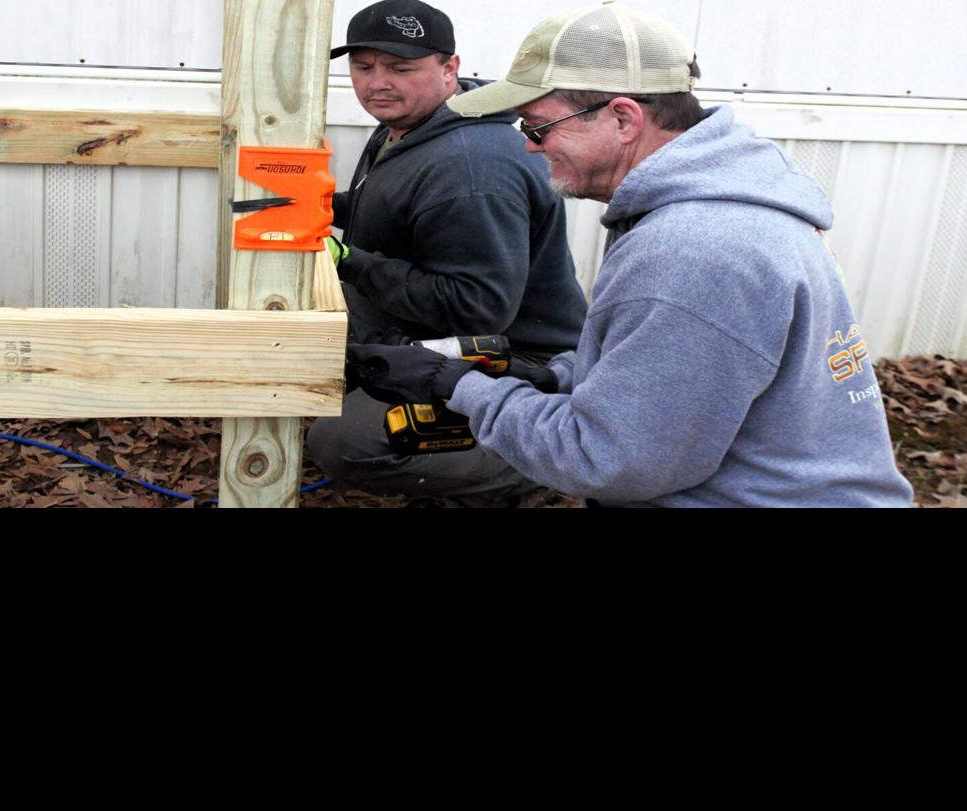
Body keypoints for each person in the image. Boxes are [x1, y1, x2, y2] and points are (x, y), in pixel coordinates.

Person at [348, 1, 913, 507]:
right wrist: (550, 378)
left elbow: (607, 463)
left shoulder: (696, 252)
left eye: (540, 126)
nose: (527, 144)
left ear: (623, 118)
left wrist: (459, 387)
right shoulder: (718, 205)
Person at [306, 0, 588, 500]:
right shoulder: (416, 123)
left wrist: (352, 263)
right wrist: (325, 207)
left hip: (516, 360)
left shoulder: (469, 168)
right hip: (433, 340)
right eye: (363, 66)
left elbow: (476, 308)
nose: (377, 83)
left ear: (449, 68)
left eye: (400, 67)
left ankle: (548, 463)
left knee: (345, 442)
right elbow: (398, 209)